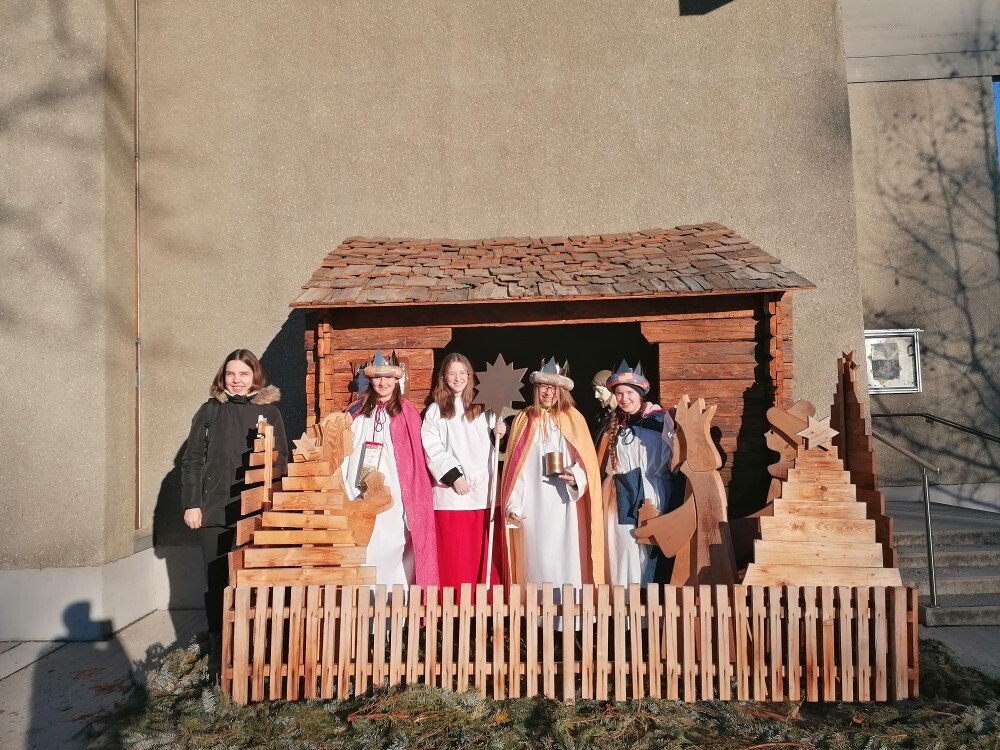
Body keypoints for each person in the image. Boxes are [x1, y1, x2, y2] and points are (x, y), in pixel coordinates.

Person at [181, 349, 289, 652]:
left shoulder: (269, 413)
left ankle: (254, 644)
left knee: (253, 576)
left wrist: (278, 508)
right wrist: (192, 504)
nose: (237, 380)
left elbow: (282, 461)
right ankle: (218, 642)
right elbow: (192, 460)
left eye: (243, 373)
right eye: (231, 374)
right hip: (214, 508)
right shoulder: (210, 411)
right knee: (216, 578)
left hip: (255, 508)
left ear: (255, 376)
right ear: (223, 376)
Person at [500, 358, 605, 587]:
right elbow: (516, 469)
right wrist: (513, 506)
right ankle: (536, 608)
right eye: (543, 387)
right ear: (536, 389)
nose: (548, 393)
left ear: (562, 391)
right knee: (537, 560)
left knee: (567, 558)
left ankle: (571, 607)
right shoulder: (524, 419)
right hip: (533, 506)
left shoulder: (574, 419)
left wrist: (576, 476)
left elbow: (586, 462)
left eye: (554, 387)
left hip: (565, 505)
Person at [342, 350, 439, 586]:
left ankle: (395, 601)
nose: (382, 383)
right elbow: (343, 449)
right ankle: (365, 600)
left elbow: (415, 460)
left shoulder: (407, 412)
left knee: (394, 545)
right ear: (370, 380)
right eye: (377, 377)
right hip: (359, 490)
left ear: (396, 380)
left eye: (388, 378)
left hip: (395, 493)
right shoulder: (355, 411)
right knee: (365, 544)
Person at [421, 353, 507, 589]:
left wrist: (501, 431)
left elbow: (495, 444)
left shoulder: (485, 406)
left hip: (484, 489)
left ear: (470, 375)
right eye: (452, 373)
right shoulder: (436, 411)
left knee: (483, 550)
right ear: (443, 377)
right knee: (457, 554)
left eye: (462, 373)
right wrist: (454, 477)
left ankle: (487, 602)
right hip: (453, 494)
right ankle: (456, 602)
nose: (457, 378)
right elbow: (432, 448)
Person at [596, 361, 676, 585]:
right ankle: (623, 597)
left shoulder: (660, 420)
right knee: (623, 546)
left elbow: (676, 457)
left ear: (640, 393)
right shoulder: (612, 424)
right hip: (618, 493)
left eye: (629, 393)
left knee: (650, 544)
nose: (624, 399)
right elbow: (598, 460)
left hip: (653, 491)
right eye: (619, 394)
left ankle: (648, 597)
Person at [590, 368, 615, 439]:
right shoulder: (601, 416)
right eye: (595, 391)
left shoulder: (623, 418)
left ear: (611, 390)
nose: (596, 396)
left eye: (599, 391)